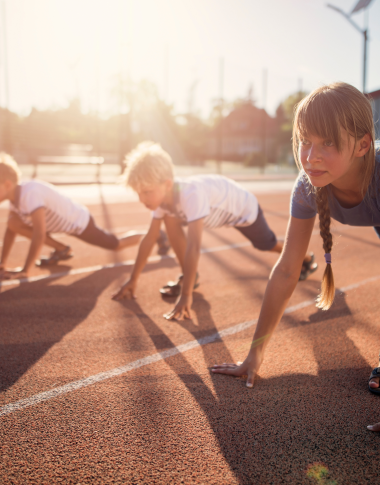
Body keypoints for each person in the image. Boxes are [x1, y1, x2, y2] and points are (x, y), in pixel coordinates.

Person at [210, 82, 380, 431]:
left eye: (328, 143)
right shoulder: (307, 186)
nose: (311, 156)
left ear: (363, 144)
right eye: (305, 141)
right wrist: (254, 352)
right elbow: (288, 269)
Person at [112, 141, 317, 319]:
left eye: (146, 192)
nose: (142, 199)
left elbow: (193, 247)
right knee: (170, 220)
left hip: (243, 210)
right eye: (139, 193)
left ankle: (306, 258)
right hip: (218, 208)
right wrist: (133, 279)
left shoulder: (190, 195)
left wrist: (186, 296)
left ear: (167, 184)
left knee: (266, 244)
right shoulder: (161, 201)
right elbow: (150, 238)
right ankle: (190, 276)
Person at [0, 153, 169, 280]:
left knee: (115, 244)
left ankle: (157, 235)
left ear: (7, 184)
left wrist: (25, 270)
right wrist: (2, 264)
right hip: (59, 226)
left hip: (79, 222)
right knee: (13, 223)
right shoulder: (15, 199)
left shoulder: (30, 194)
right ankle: (61, 249)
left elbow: (39, 233)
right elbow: (10, 231)